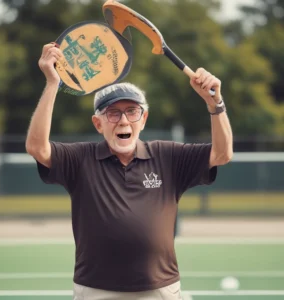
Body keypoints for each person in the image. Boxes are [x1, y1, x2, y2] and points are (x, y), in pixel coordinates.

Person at [26, 43, 233, 300]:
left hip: (160, 290)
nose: (124, 121)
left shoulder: (168, 156)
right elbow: (36, 147)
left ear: (143, 119)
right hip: (95, 291)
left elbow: (222, 154)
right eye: (113, 113)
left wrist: (216, 104)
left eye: (132, 111)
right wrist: (51, 84)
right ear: (98, 123)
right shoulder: (80, 158)